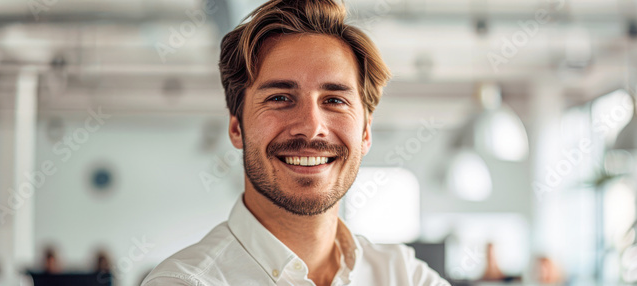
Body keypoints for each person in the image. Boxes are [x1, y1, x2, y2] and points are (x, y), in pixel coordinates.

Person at [142, 0, 448, 285]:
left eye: (334, 100)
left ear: (366, 132)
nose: (311, 128)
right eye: (279, 98)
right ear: (237, 128)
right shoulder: (184, 282)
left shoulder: (404, 274)